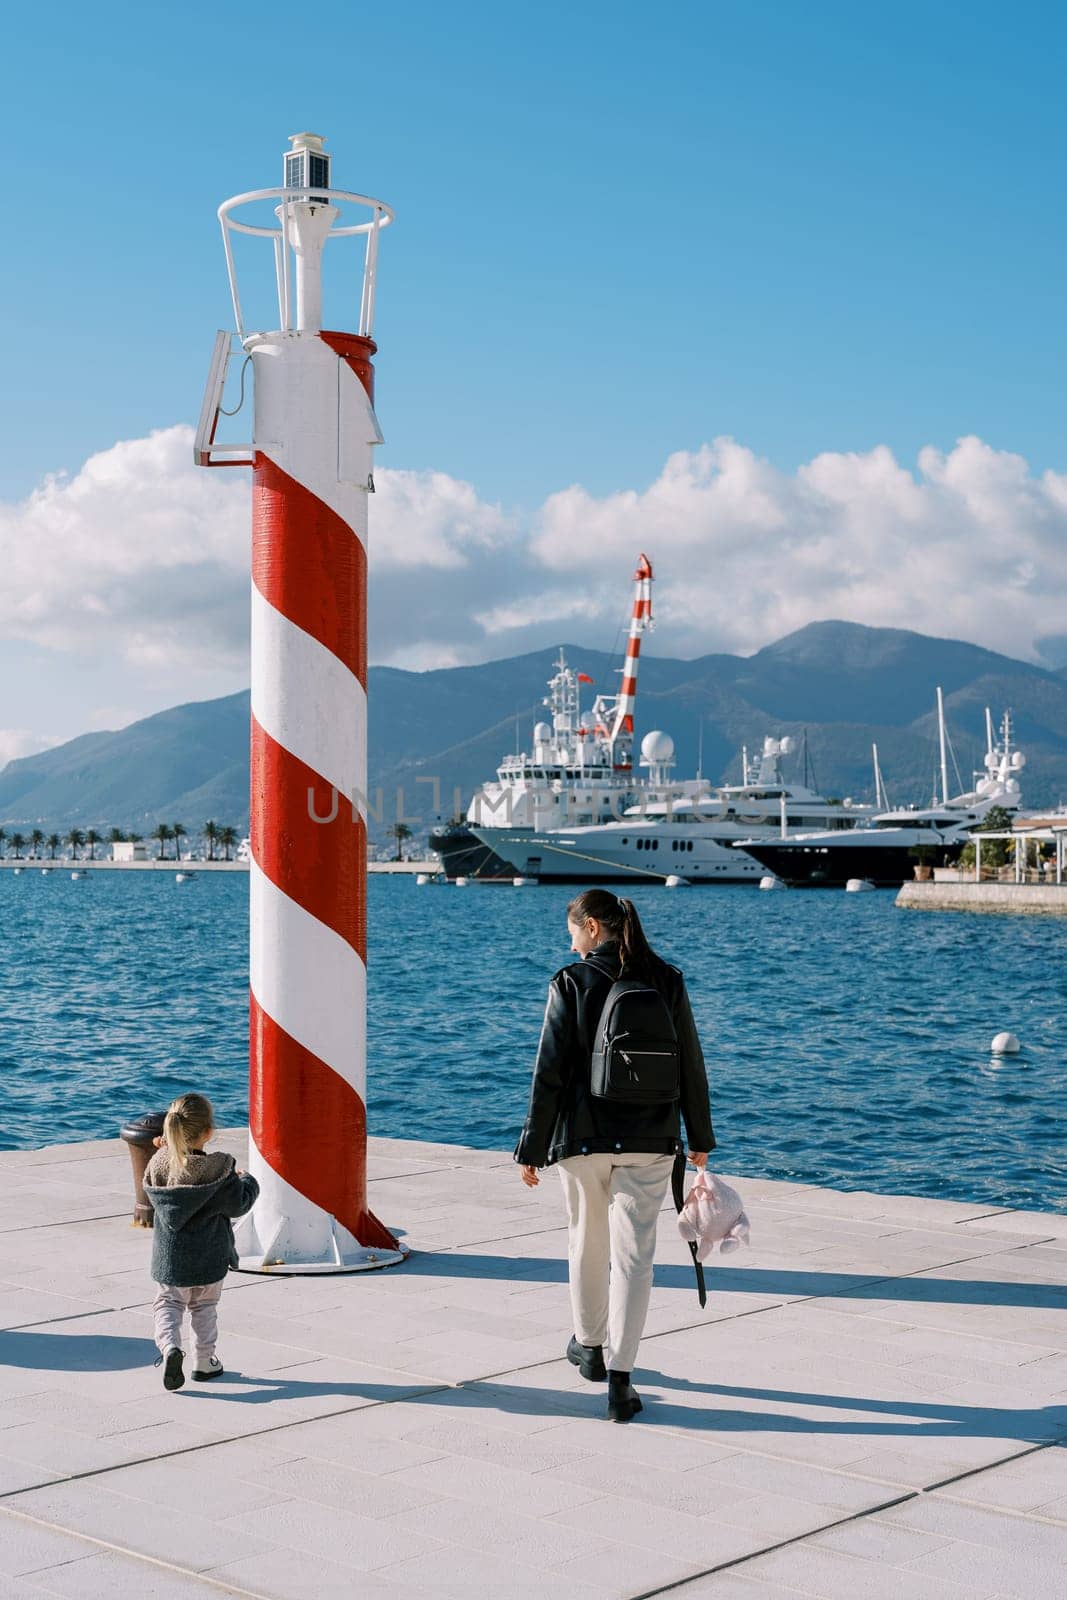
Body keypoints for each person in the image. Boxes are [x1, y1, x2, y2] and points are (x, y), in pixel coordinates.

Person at [515, 890, 714, 1422]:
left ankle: (590, 1349)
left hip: (582, 1141)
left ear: (595, 927)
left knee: (587, 1241)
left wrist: (532, 1147)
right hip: (652, 1141)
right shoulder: (666, 979)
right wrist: (700, 1137)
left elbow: (549, 1071)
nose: (572, 941)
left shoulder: (570, 981)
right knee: (635, 1257)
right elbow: (690, 1063)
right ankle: (622, 1382)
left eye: (574, 930)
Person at [144, 1093, 259, 1391]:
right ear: (208, 1132)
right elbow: (239, 1205)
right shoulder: (219, 1171)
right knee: (205, 1307)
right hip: (210, 1257)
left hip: (170, 1260)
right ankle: (205, 1362)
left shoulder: (158, 1165)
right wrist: (247, 1181)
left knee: (168, 1304)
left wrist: (164, 1148)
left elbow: (154, 1177)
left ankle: (170, 1348)